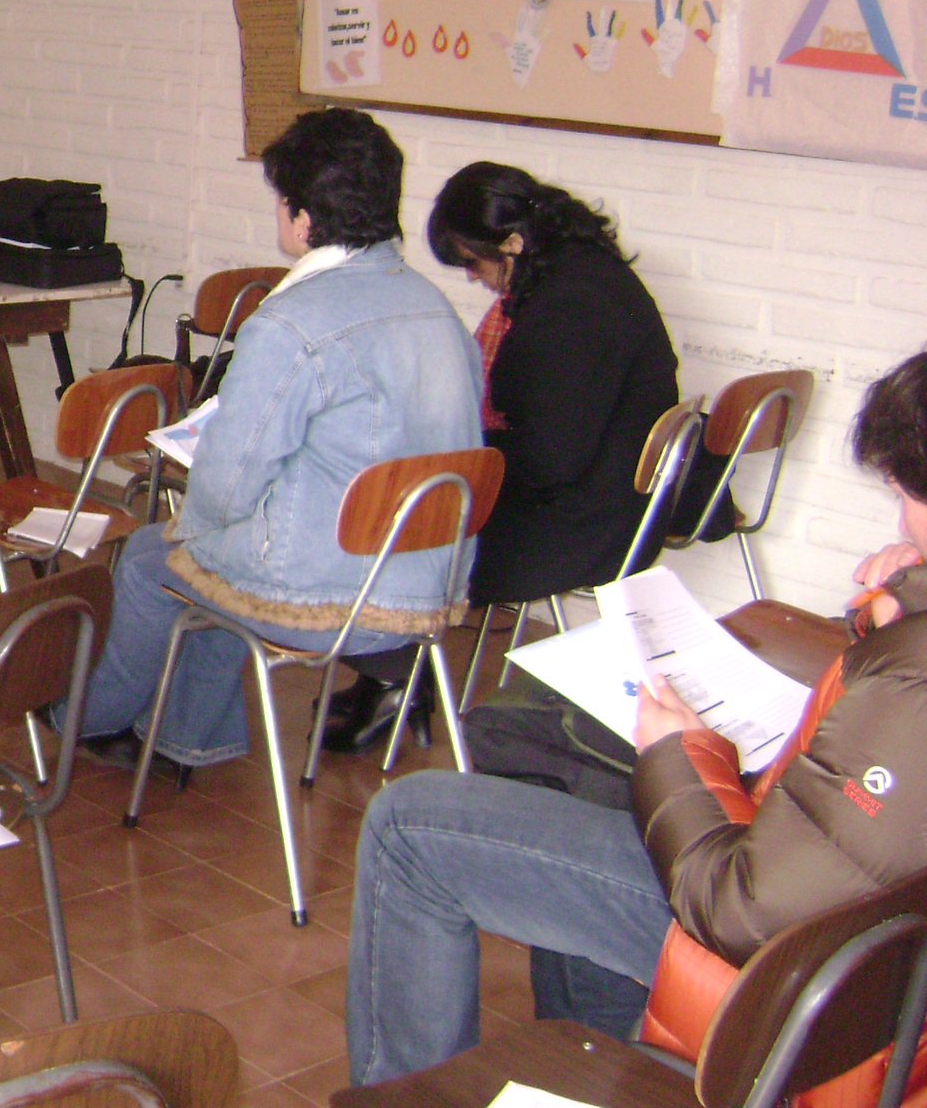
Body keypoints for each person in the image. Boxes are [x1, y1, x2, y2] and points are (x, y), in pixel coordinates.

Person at [345, 349, 927, 1087]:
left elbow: (744, 911)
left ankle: (405, 1098)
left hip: (774, 980)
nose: (901, 511)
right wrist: (905, 604)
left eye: (907, 492)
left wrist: (683, 754)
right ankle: (593, 1065)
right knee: (564, 768)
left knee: (408, 826)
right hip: (855, 964)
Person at [63, 108, 483, 771]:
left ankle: (81, 722)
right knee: (219, 554)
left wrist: (193, 510)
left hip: (333, 596)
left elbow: (228, 490)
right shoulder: (439, 310)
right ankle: (183, 736)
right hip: (430, 585)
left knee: (157, 556)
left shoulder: (290, 322)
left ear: (303, 216)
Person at [321, 162, 679, 750]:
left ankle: (393, 679)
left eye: (473, 260)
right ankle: (390, 676)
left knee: (398, 526)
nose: (473, 276)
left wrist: (455, 453)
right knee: (416, 495)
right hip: (612, 504)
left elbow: (547, 462)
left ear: (513, 243)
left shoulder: (568, 308)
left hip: (580, 528)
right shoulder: (588, 273)